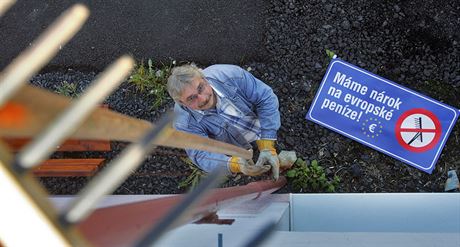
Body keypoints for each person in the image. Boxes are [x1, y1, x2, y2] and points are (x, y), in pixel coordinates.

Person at [167, 64, 281, 180]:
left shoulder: (230, 75)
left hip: (264, 127)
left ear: (204, 79)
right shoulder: (183, 123)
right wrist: (236, 165)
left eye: (201, 88)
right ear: (182, 103)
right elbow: (201, 155)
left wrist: (267, 144)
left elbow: (266, 98)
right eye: (191, 98)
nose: (203, 98)